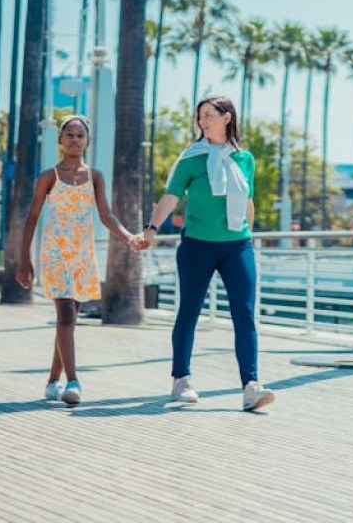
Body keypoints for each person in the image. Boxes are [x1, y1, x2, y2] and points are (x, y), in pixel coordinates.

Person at [141, 96, 275, 412]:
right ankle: (181, 380)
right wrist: (150, 229)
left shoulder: (245, 159)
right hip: (197, 246)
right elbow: (171, 197)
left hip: (236, 245)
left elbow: (248, 201)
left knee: (244, 314)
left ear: (227, 118)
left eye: (208, 115)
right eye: (200, 116)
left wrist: (249, 237)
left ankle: (251, 387)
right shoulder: (191, 158)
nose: (202, 121)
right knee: (189, 311)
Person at [15, 114, 142, 406]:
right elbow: (32, 218)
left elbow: (106, 215)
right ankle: (73, 381)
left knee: (69, 320)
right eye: (69, 135)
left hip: (82, 255)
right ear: (60, 141)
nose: (74, 140)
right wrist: (24, 260)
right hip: (56, 253)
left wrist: (129, 237)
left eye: (79, 136)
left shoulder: (95, 176)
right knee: (67, 317)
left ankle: (51, 383)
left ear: (87, 142)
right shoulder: (49, 176)